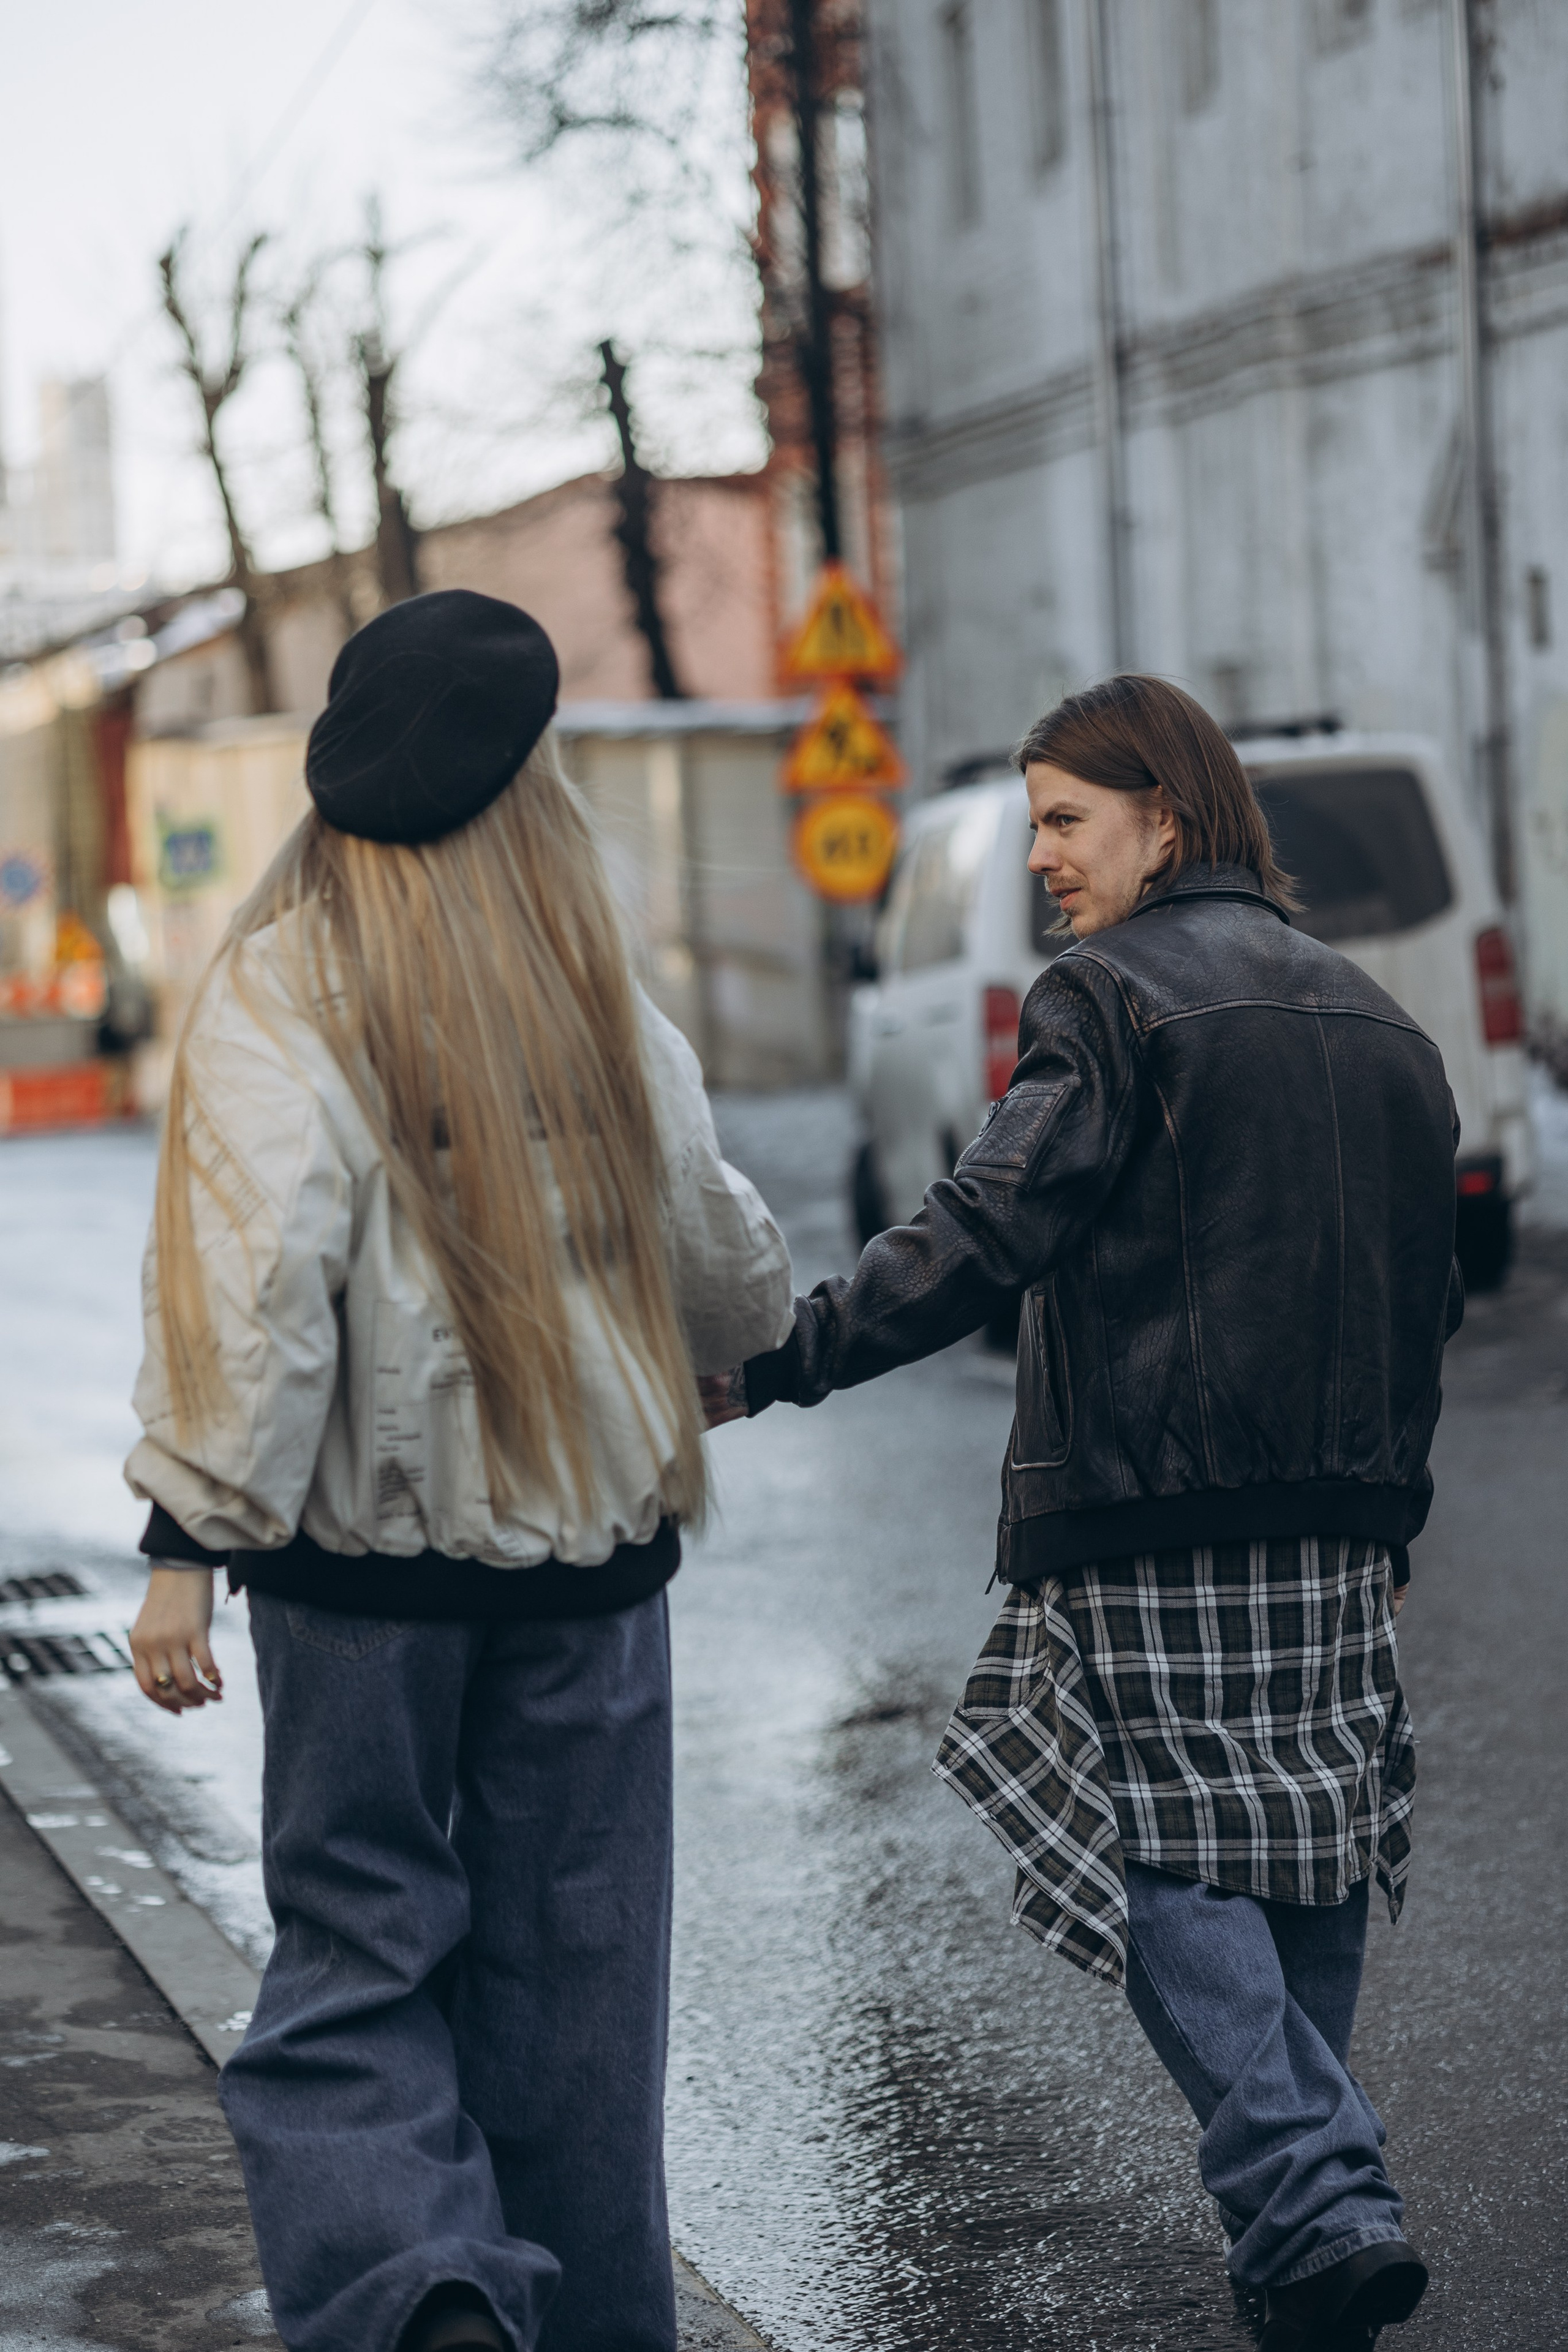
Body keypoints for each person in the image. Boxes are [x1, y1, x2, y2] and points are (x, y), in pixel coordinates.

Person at [706, 676, 1460, 2352]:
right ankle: (1304, 2263)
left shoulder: (1108, 997)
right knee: (1298, 1850)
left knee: (1144, 1840)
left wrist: (783, 1358)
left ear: (1163, 820)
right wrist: (1388, 1517)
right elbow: (1424, 1298)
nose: (1044, 857)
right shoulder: (1375, 1017)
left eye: (1065, 820)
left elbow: (990, 1224)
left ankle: (1319, 2191)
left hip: (1148, 1506)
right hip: (1336, 1521)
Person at [124, 590, 794, 2352]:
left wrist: (192, 1534)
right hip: (592, 1575)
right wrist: (736, 1346)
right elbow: (713, 1249)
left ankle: (419, 2291)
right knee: (579, 2007)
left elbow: (257, 1274)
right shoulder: (586, 975)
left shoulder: (288, 979)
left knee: (357, 1968)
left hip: (360, 1582)